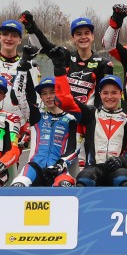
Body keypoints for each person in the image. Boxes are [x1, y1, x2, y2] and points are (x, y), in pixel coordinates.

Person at [49, 47, 127, 187]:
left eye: (114, 93)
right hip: (94, 169)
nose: (109, 97)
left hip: (118, 170)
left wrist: (121, 160)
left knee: (123, 178)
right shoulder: (91, 114)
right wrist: (59, 69)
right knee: (84, 178)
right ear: (100, 94)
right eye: (105, 93)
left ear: (121, 94)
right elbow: (64, 101)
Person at [10, 55, 78, 187]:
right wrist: (22, 71)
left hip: (59, 169)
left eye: (52, 92)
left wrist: (60, 165)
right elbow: (18, 97)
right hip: (35, 168)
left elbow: (73, 149)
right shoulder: (36, 116)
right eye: (44, 93)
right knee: (19, 184)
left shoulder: (71, 119)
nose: (49, 97)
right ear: (41, 97)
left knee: (65, 185)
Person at [21, 11, 114, 106]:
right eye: (78, 34)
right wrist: (31, 27)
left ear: (92, 36)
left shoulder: (102, 63)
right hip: (65, 112)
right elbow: (45, 46)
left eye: (87, 33)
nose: (83, 37)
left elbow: (105, 95)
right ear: (73, 38)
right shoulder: (66, 56)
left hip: (89, 113)